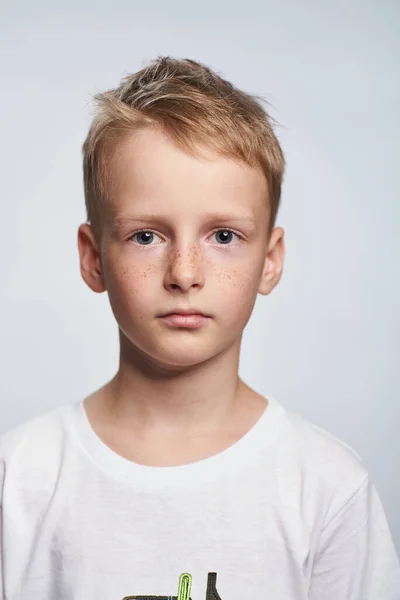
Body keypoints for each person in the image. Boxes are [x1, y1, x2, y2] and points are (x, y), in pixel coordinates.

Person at [0, 55, 399, 600]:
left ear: (271, 260)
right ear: (94, 259)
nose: (185, 273)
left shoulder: (327, 488)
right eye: (146, 236)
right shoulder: (19, 476)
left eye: (224, 236)